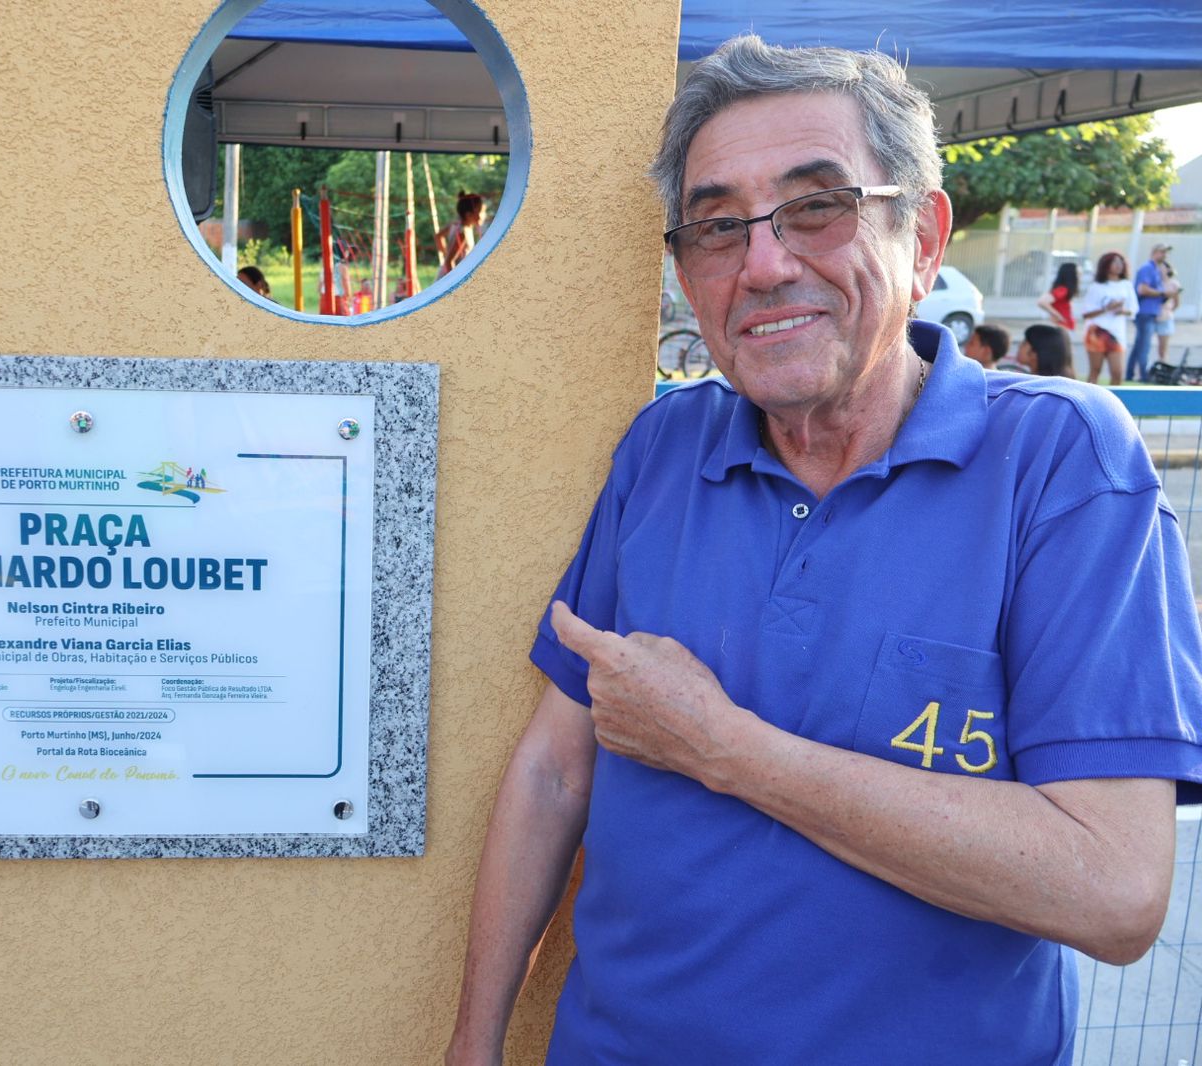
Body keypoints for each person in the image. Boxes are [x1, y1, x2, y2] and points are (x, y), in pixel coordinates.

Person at [446, 35, 1202, 1066]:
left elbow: (1113, 892)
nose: (763, 264)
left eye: (817, 206)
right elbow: (552, 772)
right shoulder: (663, 447)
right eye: (717, 227)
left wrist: (724, 747)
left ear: (922, 237)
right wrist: (471, 1045)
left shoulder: (1061, 462)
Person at [1081, 251, 1136, 385]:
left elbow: (1133, 309)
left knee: (1117, 372)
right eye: (1114, 262)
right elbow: (1086, 314)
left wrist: (1122, 311)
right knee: (1095, 370)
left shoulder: (1126, 285)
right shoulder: (1096, 287)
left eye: (1121, 262)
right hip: (1096, 331)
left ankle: (1115, 402)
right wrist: (1107, 308)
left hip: (1116, 333)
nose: (1119, 265)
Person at [1129, 243, 1172, 381]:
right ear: (1154, 252)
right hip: (1144, 312)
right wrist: (1162, 292)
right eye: (1161, 252)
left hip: (1151, 312)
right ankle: (1143, 375)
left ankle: (1129, 374)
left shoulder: (1156, 269)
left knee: (1139, 344)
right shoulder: (1147, 268)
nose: (1164, 255)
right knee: (1144, 345)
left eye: (1165, 253)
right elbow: (1142, 289)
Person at [436, 192, 484, 279]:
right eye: (480, 211)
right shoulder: (463, 232)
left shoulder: (455, 224)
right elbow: (449, 262)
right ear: (468, 215)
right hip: (448, 278)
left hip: (446, 273)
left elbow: (438, 236)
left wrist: (446, 253)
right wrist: (454, 283)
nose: (482, 215)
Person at [1155, 258, 1183, 365]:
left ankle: (1163, 365)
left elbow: (1177, 302)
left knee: (1163, 347)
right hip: (1152, 316)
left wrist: (1169, 310)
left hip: (1165, 316)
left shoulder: (1174, 283)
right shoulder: (1156, 282)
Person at [1037, 260, 1079, 330]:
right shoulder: (1063, 290)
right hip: (1063, 326)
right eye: (1077, 274)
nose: (1079, 276)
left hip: (1064, 326)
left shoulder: (1063, 289)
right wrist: (1057, 315)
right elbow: (1042, 302)